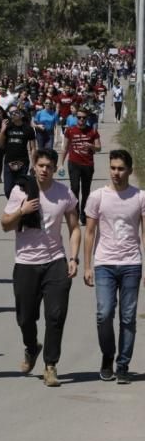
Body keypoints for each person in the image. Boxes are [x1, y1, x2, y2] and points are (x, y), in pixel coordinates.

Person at [1, 149, 81, 387]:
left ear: (55, 168)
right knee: (25, 318)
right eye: (41, 165)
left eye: (49, 166)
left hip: (55, 261)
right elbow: (5, 224)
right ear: (34, 166)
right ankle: (31, 346)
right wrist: (22, 211)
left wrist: (74, 258)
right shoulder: (21, 191)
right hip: (26, 262)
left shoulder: (64, 193)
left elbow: (74, 228)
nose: (44, 169)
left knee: (55, 316)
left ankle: (50, 365)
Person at [83, 149, 145, 384]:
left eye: (120, 168)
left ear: (129, 170)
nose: (116, 173)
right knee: (104, 313)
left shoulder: (140, 197)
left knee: (128, 317)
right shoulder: (98, 196)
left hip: (131, 264)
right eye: (113, 168)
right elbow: (89, 232)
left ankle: (123, 365)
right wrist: (87, 265)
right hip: (104, 264)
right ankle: (108, 356)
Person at [61, 107, 102, 225]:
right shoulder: (70, 130)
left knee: (85, 190)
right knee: (74, 189)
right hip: (74, 163)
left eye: (84, 118)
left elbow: (99, 148)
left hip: (88, 164)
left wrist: (91, 146)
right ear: (76, 118)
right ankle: (76, 212)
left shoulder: (92, 131)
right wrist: (60, 164)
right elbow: (65, 148)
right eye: (79, 117)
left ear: (87, 118)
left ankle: (84, 213)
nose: (81, 120)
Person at [0, 108, 36, 199]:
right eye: (11, 113)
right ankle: (13, 205)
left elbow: (33, 148)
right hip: (8, 162)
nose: (13, 114)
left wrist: (33, 164)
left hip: (23, 162)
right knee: (8, 190)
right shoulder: (8, 127)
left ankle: (18, 210)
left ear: (22, 115)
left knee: (20, 188)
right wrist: (2, 130)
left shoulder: (28, 129)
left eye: (15, 112)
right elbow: (0, 145)